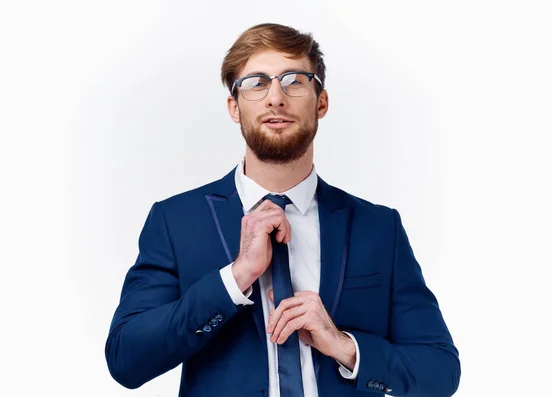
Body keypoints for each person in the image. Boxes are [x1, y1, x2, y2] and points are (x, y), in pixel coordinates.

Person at [105, 23, 460, 397]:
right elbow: (126, 359)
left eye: (294, 80)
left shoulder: (378, 227)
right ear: (234, 106)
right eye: (256, 83)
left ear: (321, 102)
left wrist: (343, 345)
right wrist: (236, 277)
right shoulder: (176, 222)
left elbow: (440, 371)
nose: (276, 98)